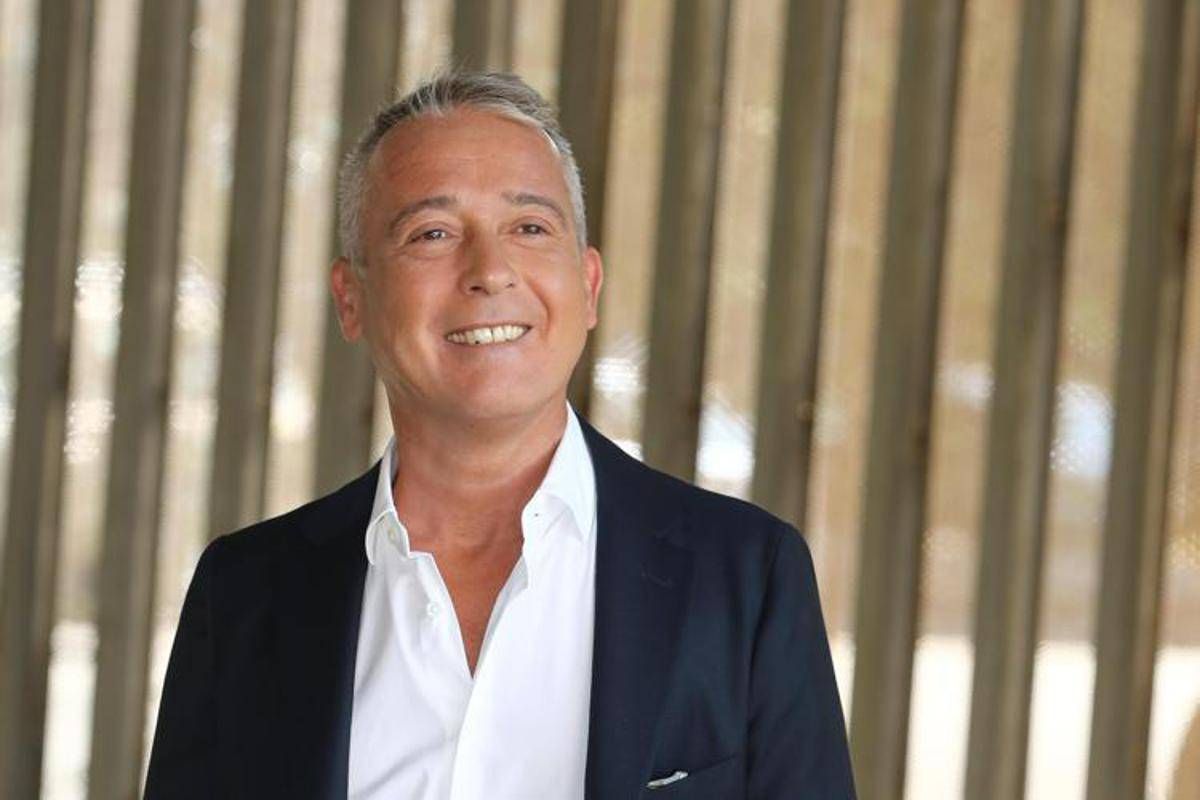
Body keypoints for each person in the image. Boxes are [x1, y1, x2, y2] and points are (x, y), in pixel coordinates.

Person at [144, 71, 855, 799]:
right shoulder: (245, 596)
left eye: (530, 228)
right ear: (351, 299)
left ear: (588, 287)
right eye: (433, 234)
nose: (489, 272)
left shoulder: (745, 578)